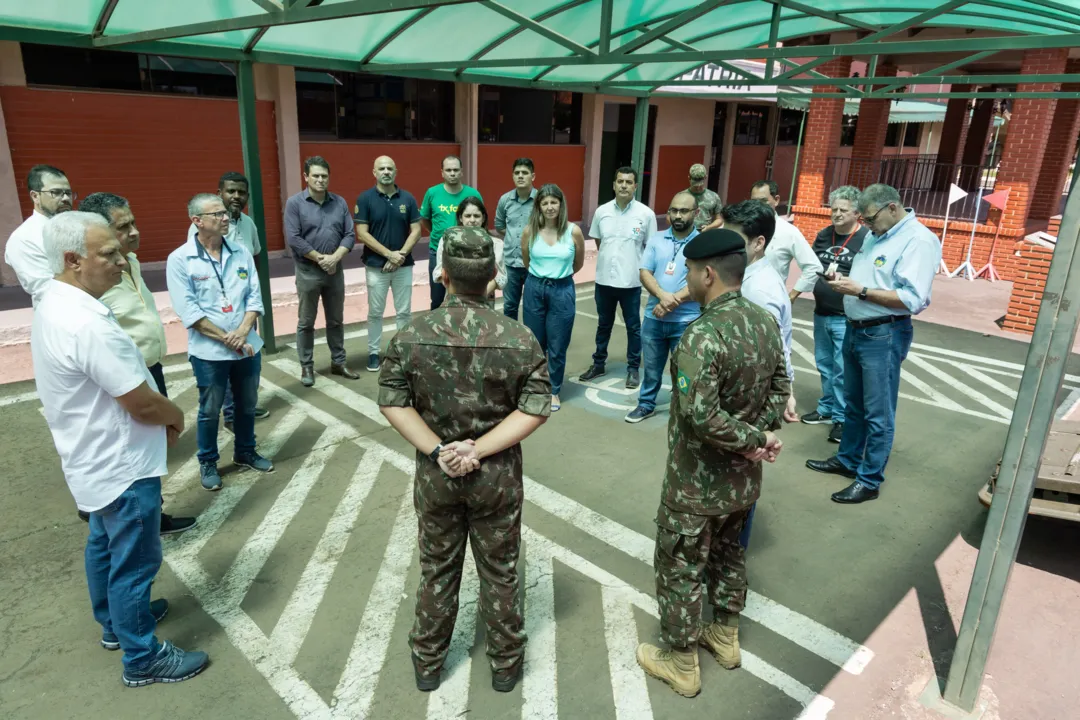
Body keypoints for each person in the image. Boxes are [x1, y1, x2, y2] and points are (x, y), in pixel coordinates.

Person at [33, 211, 209, 687]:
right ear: (73, 260)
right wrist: (175, 415)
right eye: (108, 253)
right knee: (135, 561)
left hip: (92, 458)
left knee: (105, 545)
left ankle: (116, 623)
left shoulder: (54, 301)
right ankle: (142, 658)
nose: (121, 258)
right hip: (120, 463)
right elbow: (140, 401)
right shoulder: (85, 322)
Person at [377, 226, 550, 694]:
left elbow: (392, 401)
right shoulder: (520, 338)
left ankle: (429, 663)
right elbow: (536, 407)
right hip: (496, 476)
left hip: (437, 476)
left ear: (443, 275)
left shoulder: (411, 335)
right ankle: (506, 665)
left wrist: (440, 450)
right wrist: (479, 449)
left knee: (437, 567)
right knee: (500, 569)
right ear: (494, 277)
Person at [635, 228, 789, 699]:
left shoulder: (701, 333)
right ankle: (724, 636)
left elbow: (700, 416)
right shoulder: (763, 321)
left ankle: (681, 661)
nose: (685, 278)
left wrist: (749, 440)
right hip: (742, 483)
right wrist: (756, 440)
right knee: (727, 554)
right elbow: (781, 387)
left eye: (688, 271)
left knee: (680, 565)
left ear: (706, 273)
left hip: (696, 485)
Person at [807, 184, 941, 504]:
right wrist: (844, 285)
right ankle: (849, 460)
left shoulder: (918, 241)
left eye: (870, 218)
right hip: (856, 328)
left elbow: (913, 299)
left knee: (878, 412)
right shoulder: (876, 233)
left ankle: (869, 480)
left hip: (883, 334)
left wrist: (861, 292)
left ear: (892, 208)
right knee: (854, 403)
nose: (866, 225)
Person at [80, 192, 197, 536]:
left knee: (152, 449)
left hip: (150, 367)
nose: (133, 232)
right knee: (134, 451)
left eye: (133, 223)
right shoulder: (93, 280)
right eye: (122, 227)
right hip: (125, 378)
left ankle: (152, 515)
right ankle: (128, 519)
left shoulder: (129, 261)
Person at [167, 194, 274, 492]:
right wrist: (228, 339)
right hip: (209, 352)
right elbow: (189, 311)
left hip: (247, 346)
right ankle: (208, 461)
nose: (226, 218)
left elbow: (254, 296)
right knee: (209, 409)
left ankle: (245, 451)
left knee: (247, 403)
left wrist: (242, 331)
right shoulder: (180, 260)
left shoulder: (239, 251)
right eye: (217, 214)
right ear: (197, 221)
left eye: (225, 213)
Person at [721, 200, 798, 549]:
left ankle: (729, 560)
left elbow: (763, 359)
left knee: (736, 484)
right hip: (742, 399)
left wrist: (760, 420)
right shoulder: (749, 278)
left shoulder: (759, 290)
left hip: (744, 403)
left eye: (734, 238)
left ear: (758, 243)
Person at [625, 191, 701, 424]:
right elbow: (644, 272)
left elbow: (701, 283)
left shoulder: (701, 244)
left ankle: (683, 410)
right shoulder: (657, 240)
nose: (678, 215)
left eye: (684, 211)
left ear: (696, 213)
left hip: (686, 321)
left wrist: (669, 303)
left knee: (685, 371)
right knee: (651, 367)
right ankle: (646, 404)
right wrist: (661, 296)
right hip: (654, 319)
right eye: (674, 210)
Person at [801, 186, 869, 444]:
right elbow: (814, 265)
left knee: (842, 370)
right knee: (825, 365)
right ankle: (828, 408)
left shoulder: (865, 238)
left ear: (857, 213)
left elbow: (868, 275)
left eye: (843, 210)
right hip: (822, 313)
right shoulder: (823, 235)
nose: (837, 214)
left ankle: (842, 418)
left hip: (845, 316)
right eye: (834, 209)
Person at [284, 156, 359, 387]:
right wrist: (319, 258)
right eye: (315, 175)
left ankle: (338, 361)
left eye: (324, 176)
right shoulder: (295, 204)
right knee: (306, 322)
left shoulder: (340, 202)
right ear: (305, 177)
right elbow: (294, 238)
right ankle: (307, 366)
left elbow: (350, 234)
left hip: (335, 270)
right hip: (308, 271)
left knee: (336, 320)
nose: (320, 180)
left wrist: (335, 257)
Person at [580, 167, 656, 390]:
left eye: (628, 182)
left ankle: (633, 368)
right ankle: (598, 363)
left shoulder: (646, 214)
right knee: (604, 325)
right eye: (620, 181)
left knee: (633, 326)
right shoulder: (601, 212)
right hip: (604, 281)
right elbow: (598, 242)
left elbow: (649, 248)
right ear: (613, 184)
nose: (624, 185)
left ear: (635, 186)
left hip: (631, 282)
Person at [522, 184, 586, 412]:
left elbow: (578, 264)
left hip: (562, 290)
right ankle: (535, 387)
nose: (549, 207)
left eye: (553, 202)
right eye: (545, 203)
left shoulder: (573, 231)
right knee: (536, 344)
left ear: (561, 204)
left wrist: (558, 278)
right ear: (538, 206)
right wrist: (542, 279)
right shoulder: (530, 231)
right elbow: (526, 260)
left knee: (558, 345)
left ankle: (554, 390)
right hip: (534, 288)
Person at [355, 155, 422, 372]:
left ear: (396, 171)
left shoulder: (408, 199)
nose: (386, 171)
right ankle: (374, 353)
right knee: (376, 312)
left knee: (404, 312)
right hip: (376, 266)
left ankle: (402, 352)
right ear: (374, 172)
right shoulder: (365, 199)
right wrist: (388, 255)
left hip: (403, 266)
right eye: (381, 168)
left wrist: (400, 255)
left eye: (390, 168)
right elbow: (362, 234)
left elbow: (417, 230)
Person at [216, 171, 271, 425]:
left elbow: (256, 256)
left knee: (250, 360)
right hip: (220, 311)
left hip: (247, 309)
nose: (236, 196)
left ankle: (247, 405)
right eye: (231, 191)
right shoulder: (207, 227)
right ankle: (231, 415)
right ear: (220, 194)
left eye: (241, 192)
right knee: (228, 362)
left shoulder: (248, 223)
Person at [5, 164, 75, 302]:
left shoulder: (77, 226)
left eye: (68, 192)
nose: (66, 198)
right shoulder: (24, 239)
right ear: (35, 196)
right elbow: (47, 290)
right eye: (56, 192)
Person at [420, 155, 482, 310]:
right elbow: (424, 219)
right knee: (437, 298)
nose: (452, 173)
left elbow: (481, 220)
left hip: (466, 254)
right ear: (442, 172)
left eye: (455, 170)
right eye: (448, 170)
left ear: (461, 172)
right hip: (438, 252)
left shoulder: (473, 194)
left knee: (464, 296)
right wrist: (436, 233)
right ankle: (438, 332)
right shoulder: (432, 193)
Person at [749, 180, 822, 302]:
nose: (758, 206)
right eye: (754, 202)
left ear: (776, 200)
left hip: (769, 303)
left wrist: (791, 296)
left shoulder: (788, 232)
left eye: (763, 201)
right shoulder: (743, 227)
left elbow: (814, 267)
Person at [432, 197, 507, 303]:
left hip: (484, 301)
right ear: (460, 218)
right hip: (455, 301)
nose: (472, 220)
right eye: (467, 216)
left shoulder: (496, 243)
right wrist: (459, 296)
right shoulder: (446, 241)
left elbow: (500, 277)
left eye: (476, 216)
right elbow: (439, 273)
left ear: (483, 218)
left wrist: (478, 296)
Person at [493, 158, 536, 320]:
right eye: (517, 173)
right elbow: (499, 225)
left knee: (533, 307)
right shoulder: (505, 200)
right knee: (510, 306)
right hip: (511, 263)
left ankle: (531, 339)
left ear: (533, 176)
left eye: (524, 173)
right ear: (512, 176)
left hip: (534, 264)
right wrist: (513, 237)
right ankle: (512, 340)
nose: (520, 176)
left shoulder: (540, 200)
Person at [686, 164, 723, 232]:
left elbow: (719, 219)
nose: (697, 187)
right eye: (695, 184)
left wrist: (709, 227)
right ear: (689, 178)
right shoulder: (681, 196)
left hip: (705, 233)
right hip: (686, 234)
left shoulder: (714, 196)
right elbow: (669, 218)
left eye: (700, 184)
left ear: (705, 177)